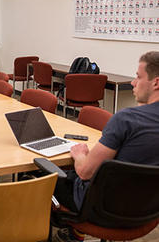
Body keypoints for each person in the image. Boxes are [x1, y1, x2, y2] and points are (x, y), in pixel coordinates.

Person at [54, 51, 159, 242]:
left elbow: (85, 172)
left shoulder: (126, 119)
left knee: (46, 177)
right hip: (147, 214)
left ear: (156, 83)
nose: (134, 82)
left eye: (138, 76)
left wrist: (80, 154)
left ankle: (71, 234)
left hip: (101, 210)